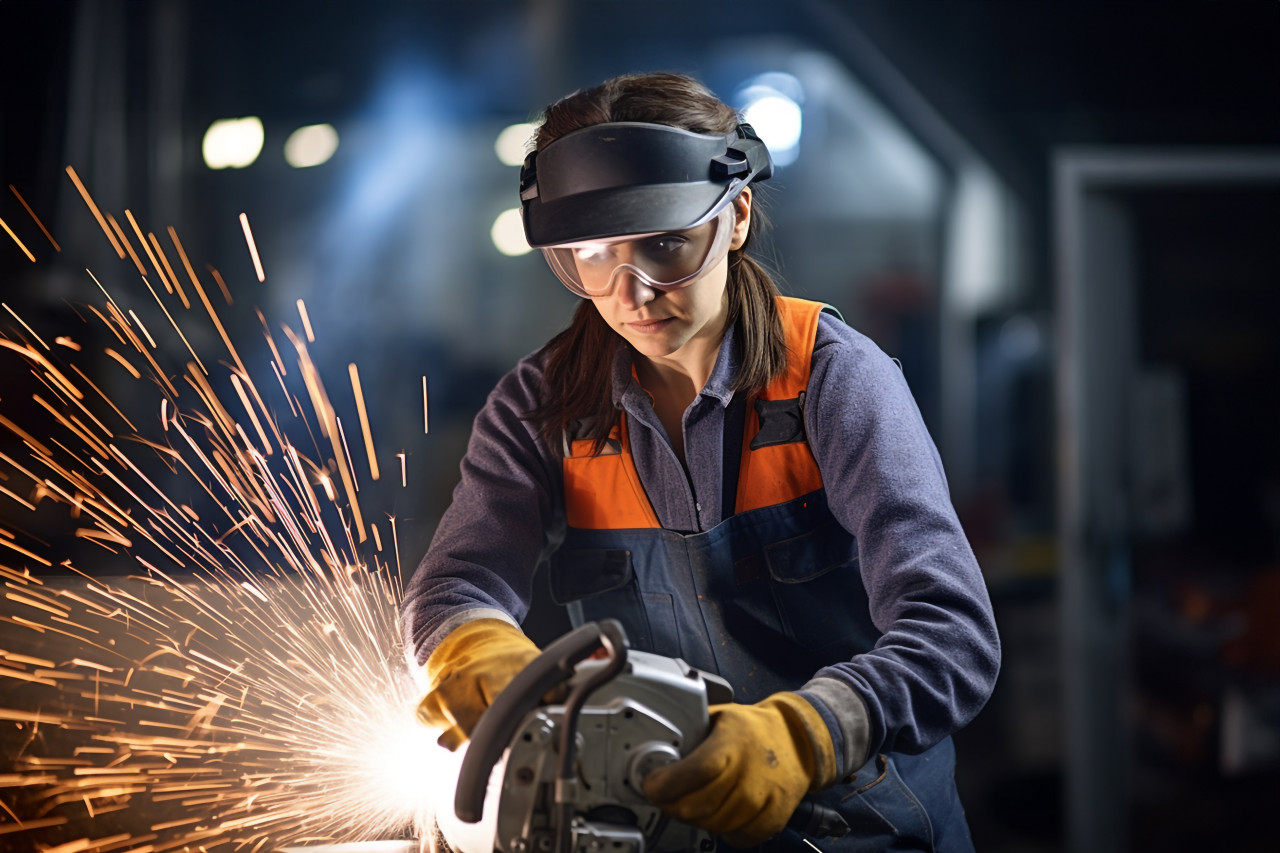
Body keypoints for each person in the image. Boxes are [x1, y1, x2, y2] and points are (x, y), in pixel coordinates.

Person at [402, 71, 1000, 853]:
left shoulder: (833, 380)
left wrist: (806, 732)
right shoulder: (541, 405)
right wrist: (471, 645)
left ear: (737, 214)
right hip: (657, 830)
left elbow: (951, 632)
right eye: (594, 254)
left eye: (664, 244)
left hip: (864, 827)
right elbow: (456, 581)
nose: (634, 292)